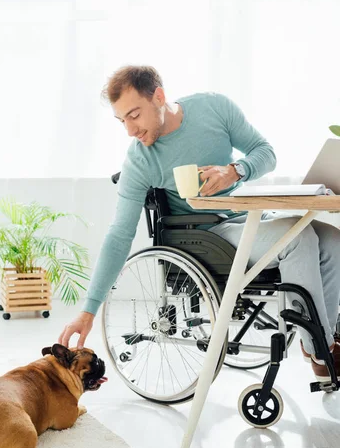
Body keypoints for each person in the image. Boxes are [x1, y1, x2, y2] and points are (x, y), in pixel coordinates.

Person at [58, 65, 340, 380]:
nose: (129, 130)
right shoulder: (140, 160)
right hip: (205, 236)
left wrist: (235, 171)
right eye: (121, 120)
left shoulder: (213, 108)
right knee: (298, 239)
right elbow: (119, 236)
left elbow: (266, 153)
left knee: (331, 238)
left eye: (134, 115)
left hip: (245, 216)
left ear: (159, 97)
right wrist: (89, 310)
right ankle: (321, 349)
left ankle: (324, 337)